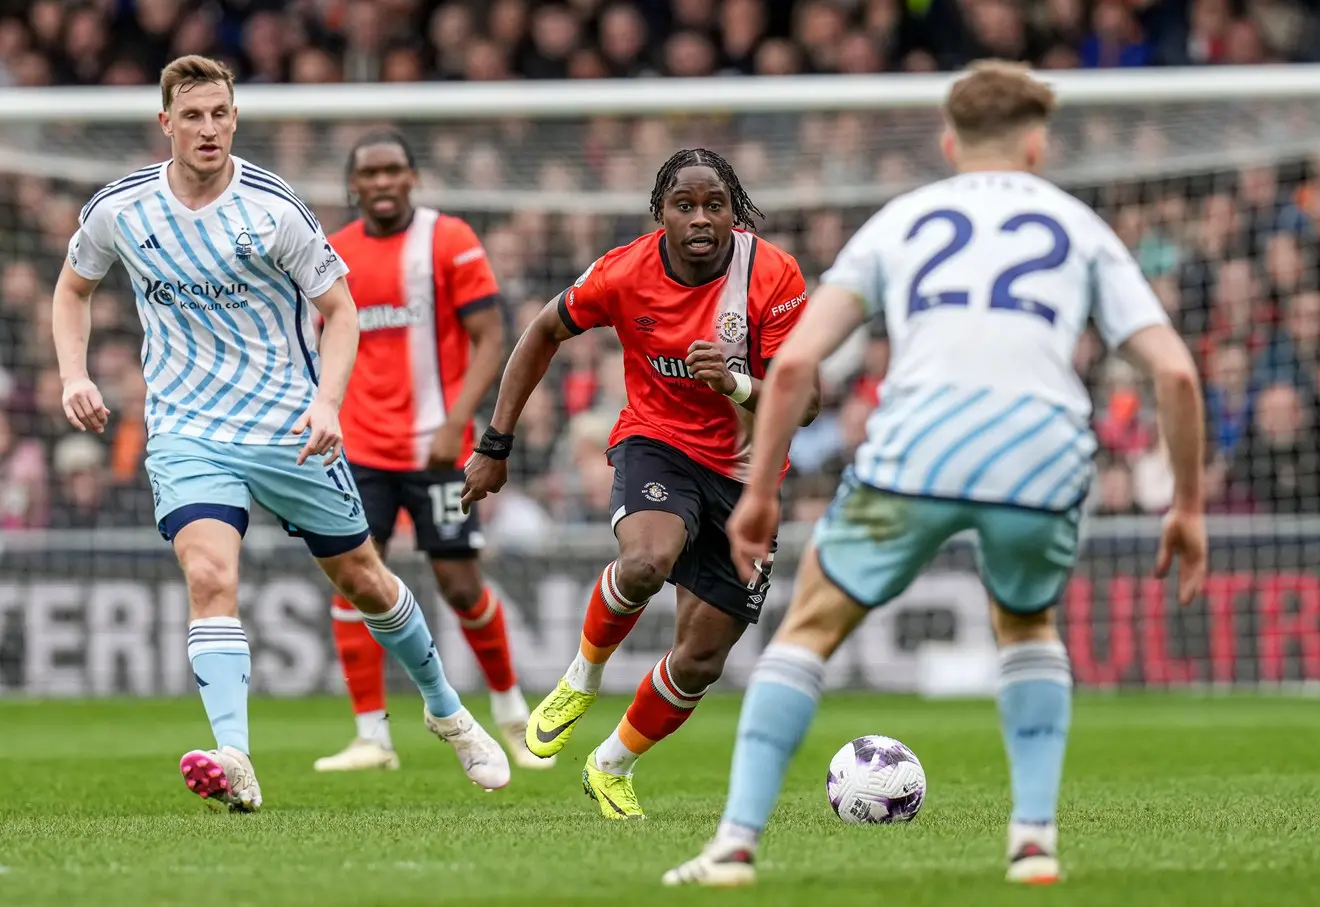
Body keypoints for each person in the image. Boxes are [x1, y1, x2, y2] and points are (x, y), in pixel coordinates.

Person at [662, 60, 1208, 887]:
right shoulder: (1079, 224)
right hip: (1041, 450)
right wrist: (1189, 506)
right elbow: (1173, 372)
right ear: (1035, 144)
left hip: (921, 443)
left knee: (807, 629)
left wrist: (764, 491)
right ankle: (1032, 841)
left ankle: (734, 845)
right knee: (1026, 628)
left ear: (950, 142)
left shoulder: (902, 220)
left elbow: (800, 358)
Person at [52, 55, 511, 812]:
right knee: (209, 576)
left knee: (364, 579)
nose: (209, 129)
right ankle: (234, 753)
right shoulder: (121, 208)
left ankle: (445, 710)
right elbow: (74, 288)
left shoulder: (274, 208)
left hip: (286, 427)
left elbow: (343, 310)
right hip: (187, 429)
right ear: (165, 122)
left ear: (235, 119)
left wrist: (328, 403)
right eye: (193, 115)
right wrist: (75, 373)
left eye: (220, 114)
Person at [460, 148, 817, 819]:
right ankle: (581, 676)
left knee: (702, 657)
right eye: (686, 205)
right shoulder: (625, 271)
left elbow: (810, 400)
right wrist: (496, 443)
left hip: (749, 473)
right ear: (662, 213)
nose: (701, 217)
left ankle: (611, 763)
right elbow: (541, 331)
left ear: (733, 210)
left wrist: (735, 381)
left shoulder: (772, 273)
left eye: (715, 203)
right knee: (648, 559)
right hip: (659, 444)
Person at [312, 131, 547, 773]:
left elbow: (491, 336)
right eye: (370, 173)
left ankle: (511, 712)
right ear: (353, 186)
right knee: (355, 579)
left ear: (413, 177)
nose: (383, 182)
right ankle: (371, 736)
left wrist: (458, 422)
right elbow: (319, 341)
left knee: (459, 582)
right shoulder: (333, 252)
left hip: (438, 450)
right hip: (359, 451)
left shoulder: (450, 239)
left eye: (394, 170)